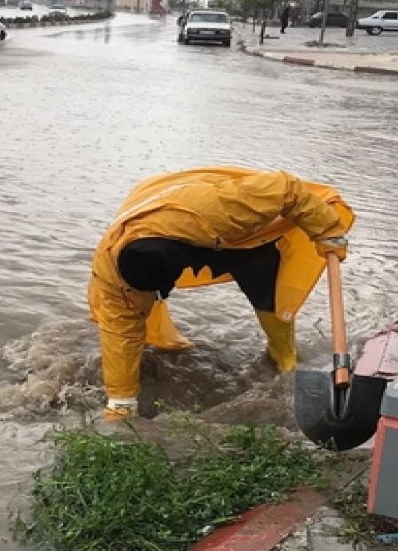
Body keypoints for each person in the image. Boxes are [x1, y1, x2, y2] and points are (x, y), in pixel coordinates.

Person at [87, 167, 355, 421]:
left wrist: (328, 231)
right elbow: (118, 337)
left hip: (227, 228)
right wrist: (120, 404)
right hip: (158, 218)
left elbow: (287, 189)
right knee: (129, 328)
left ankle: (284, 358)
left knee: (266, 285)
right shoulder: (112, 279)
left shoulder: (223, 209)